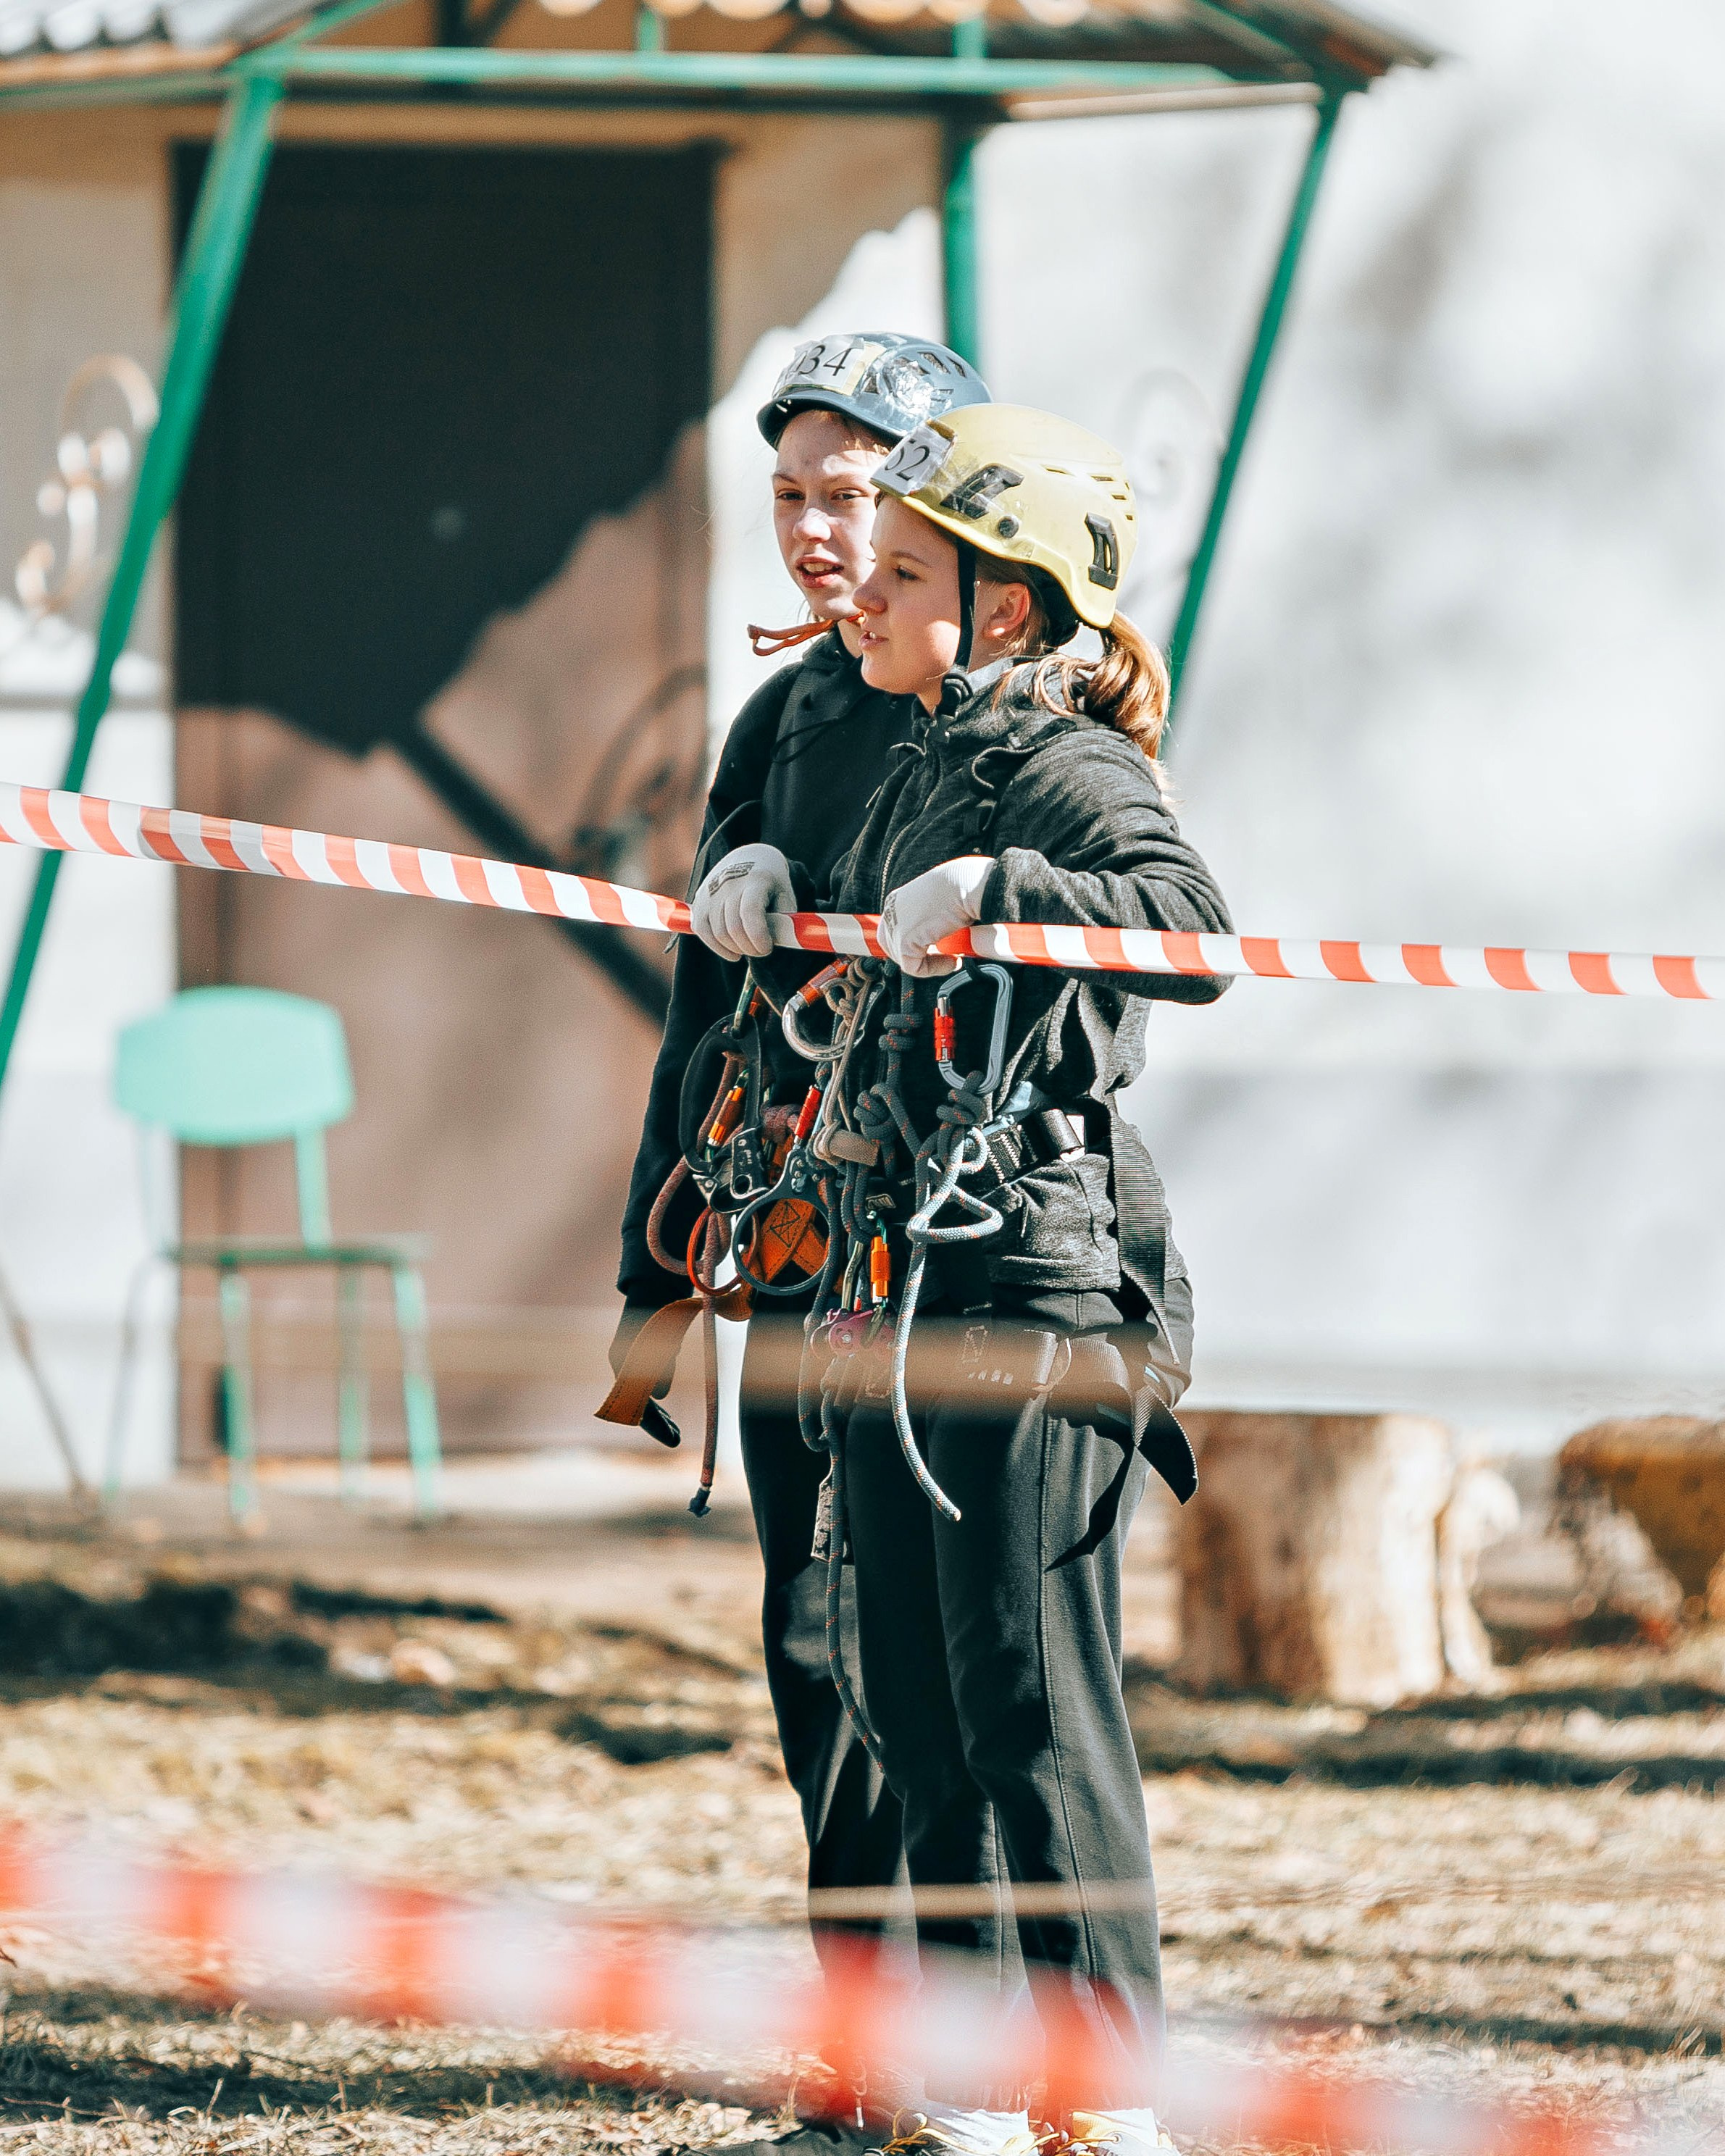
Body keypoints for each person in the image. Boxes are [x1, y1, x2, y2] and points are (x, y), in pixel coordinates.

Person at [689, 404, 1232, 2156]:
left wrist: (1012, 882)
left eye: (905, 565)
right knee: (913, 1703)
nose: (862, 584)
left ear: (1002, 608)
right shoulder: (904, 745)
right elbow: (844, 958)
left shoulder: (1059, 766)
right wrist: (760, 883)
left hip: (1036, 1296)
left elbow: (1191, 925)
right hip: (893, 1286)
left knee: (1032, 1710)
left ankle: (1112, 2099)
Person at [607, 333, 992, 2144]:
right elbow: (702, 1029)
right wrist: (650, 1285)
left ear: (937, 500)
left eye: (852, 497)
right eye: (790, 499)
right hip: (792, 1254)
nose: (816, 535)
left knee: (949, 1661)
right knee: (816, 1643)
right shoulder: (782, 719)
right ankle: (859, 2047)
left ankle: (995, 2044)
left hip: (963, 1264)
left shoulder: (1010, 716)